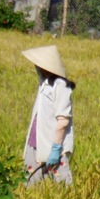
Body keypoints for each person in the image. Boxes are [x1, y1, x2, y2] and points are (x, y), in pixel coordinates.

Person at [22, 45, 76, 185]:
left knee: (63, 186)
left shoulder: (61, 85)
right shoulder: (45, 84)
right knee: (29, 184)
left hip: (54, 144)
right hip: (36, 141)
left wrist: (56, 148)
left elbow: (63, 120)